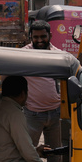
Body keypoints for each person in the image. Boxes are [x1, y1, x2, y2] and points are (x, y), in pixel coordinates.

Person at [22, 19, 68, 150]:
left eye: (43, 36)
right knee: (28, 152)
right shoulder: (23, 55)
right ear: (30, 37)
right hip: (32, 114)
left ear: (50, 36)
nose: (39, 40)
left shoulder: (58, 55)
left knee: (56, 153)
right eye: (35, 37)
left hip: (56, 114)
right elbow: (6, 77)